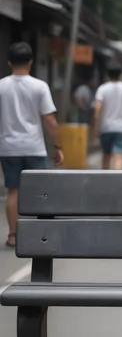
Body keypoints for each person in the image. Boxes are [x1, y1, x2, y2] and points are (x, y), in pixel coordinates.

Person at [0, 42, 64, 248]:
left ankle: (12, 235)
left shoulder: (1, 86)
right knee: (39, 191)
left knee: (13, 190)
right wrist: (58, 146)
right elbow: (50, 120)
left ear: (9, 62)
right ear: (30, 62)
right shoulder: (39, 86)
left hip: (8, 147)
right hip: (34, 147)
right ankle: (39, 234)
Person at [94, 61, 122, 170]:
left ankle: (105, 181)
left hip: (106, 127)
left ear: (107, 75)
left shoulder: (102, 89)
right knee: (119, 157)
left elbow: (97, 110)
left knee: (106, 156)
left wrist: (96, 127)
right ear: (121, 74)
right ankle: (118, 182)